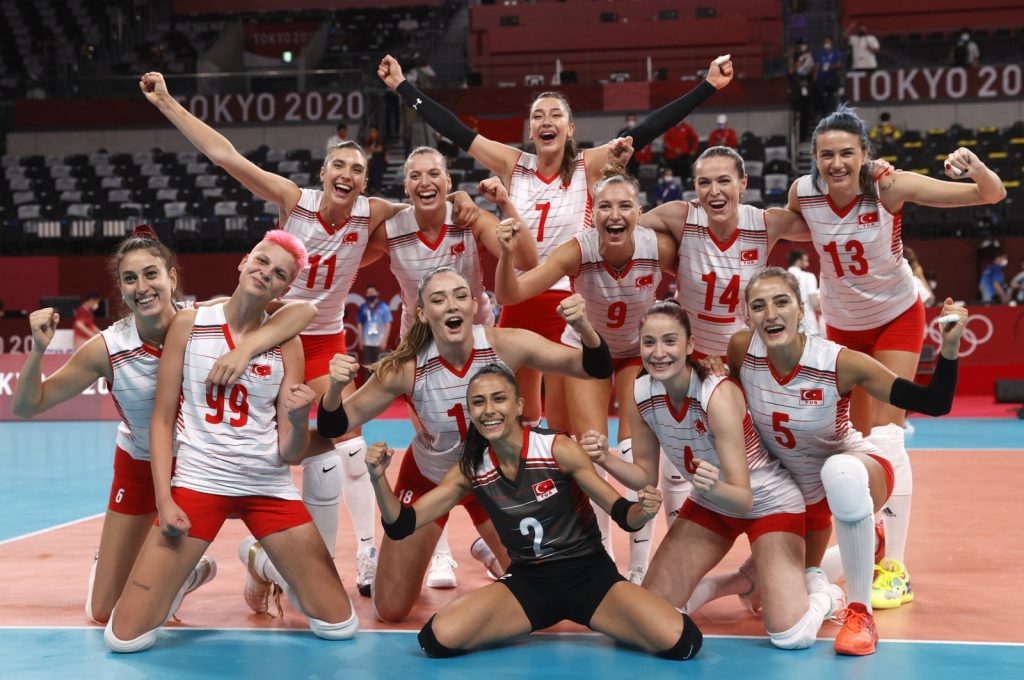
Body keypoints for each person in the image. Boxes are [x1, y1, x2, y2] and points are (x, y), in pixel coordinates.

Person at [141, 70, 478, 600]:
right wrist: (166, 103)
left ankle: (360, 554)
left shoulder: (374, 213)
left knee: (340, 449)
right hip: (265, 332)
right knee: (244, 446)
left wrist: (465, 203)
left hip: (320, 341)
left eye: (358, 169)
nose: (347, 174)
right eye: (339, 165)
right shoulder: (291, 200)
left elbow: (428, 202)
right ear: (324, 173)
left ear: (365, 183)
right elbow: (226, 156)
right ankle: (234, 561)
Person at [379, 53, 733, 432]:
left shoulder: (587, 165)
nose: (546, 122)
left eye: (555, 115)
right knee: (521, 418)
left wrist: (707, 85)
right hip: (518, 301)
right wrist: (403, 86)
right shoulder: (513, 164)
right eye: (537, 116)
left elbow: (646, 130)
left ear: (570, 128)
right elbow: (455, 128)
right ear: (529, 130)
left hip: (566, 304)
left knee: (566, 426)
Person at [13, 225, 315, 628]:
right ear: (120, 289)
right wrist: (38, 349)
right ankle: (192, 570)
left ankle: (258, 560)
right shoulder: (107, 348)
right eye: (130, 278)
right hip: (141, 465)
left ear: (172, 277)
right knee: (102, 611)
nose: (143, 287)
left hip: (208, 463)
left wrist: (247, 348)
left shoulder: (203, 317)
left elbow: (302, 311)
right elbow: (29, 404)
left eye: (151, 274)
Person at [787, 105, 1005, 607]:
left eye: (847, 153)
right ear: (814, 159)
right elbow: (801, 229)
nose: (836, 163)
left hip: (895, 317)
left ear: (866, 154)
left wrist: (976, 168)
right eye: (826, 155)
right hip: (841, 326)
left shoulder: (891, 187)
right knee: (855, 443)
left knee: (886, 434)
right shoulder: (803, 192)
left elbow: (991, 195)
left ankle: (895, 568)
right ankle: (873, 537)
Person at [103, 231, 358, 652]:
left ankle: (263, 562)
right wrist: (165, 500)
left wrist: (295, 416)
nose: (265, 274)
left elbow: (289, 452)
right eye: (261, 261)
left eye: (279, 273)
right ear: (244, 262)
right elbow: (163, 419)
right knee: (123, 638)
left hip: (267, 484)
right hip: (199, 482)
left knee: (339, 626)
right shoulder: (189, 323)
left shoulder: (287, 344)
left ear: (285, 288)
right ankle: (187, 575)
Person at [315, 266, 615, 623]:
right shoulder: (406, 368)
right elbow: (336, 423)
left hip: (497, 481)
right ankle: (484, 551)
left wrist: (584, 328)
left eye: (460, 295)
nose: (451, 305)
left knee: (548, 593)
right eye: (438, 299)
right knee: (390, 610)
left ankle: (489, 551)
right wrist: (333, 389)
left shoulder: (506, 344)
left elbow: (593, 368)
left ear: (475, 304)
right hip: (430, 479)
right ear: (424, 314)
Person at [362, 363, 702, 660]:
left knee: (684, 643)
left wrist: (643, 511)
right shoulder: (471, 470)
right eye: (478, 402)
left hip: (591, 580)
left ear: (518, 404)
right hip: (529, 585)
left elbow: (622, 513)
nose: (488, 410)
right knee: (435, 640)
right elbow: (401, 525)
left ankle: (614, 616)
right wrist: (378, 480)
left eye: (498, 399)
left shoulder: (557, 448)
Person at [727, 267, 966, 655]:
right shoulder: (741, 350)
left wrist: (949, 349)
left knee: (837, 469)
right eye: (759, 306)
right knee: (764, 602)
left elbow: (935, 403)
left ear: (800, 309)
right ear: (748, 315)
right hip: (799, 495)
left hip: (855, 471)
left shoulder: (839, 362)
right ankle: (869, 543)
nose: (770, 313)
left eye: (781, 302)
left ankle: (860, 614)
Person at [580, 301, 842, 651]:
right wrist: (605, 459)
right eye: (649, 343)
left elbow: (743, 497)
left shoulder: (715, 395)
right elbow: (645, 476)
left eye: (670, 341)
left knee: (790, 635)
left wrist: (713, 486)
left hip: (767, 502)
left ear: (689, 346)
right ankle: (742, 581)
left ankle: (827, 595)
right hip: (711, 502)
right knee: (648, 616)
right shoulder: (641, 392)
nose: (659, 353)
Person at [360, 147, 537, 588]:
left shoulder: (467, 219)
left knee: (494, 434)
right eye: (415, 175)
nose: (425, 182)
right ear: (405, 186)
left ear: (447, 179)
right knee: (435, 440)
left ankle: (490, 536)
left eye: (434, 174)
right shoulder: (393, 229)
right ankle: (439, 552)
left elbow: (521, 253)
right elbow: (343, 257)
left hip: (476, 341)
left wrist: (487, 211)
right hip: (417, 345)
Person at [495, 169, 678, 583]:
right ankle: (604, 557)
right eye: (605, 206)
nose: (615, 213)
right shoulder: (577, 250)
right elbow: (512, 295)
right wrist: (506, 255)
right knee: (590, 452)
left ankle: (640, 562)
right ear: (592, 214)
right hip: (587, 351)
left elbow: (705, 281)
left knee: (634, 453)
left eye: (625, 205)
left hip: (635, 353)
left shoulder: (657, 247)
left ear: (639, 212)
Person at [355, 284, 392, 376]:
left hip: (379, 343)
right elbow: (359, 324)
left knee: (380, 368)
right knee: (367, 368)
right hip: (367, 343)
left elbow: (388, 324)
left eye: (372, 292)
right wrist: (360, 340)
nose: (371, 294)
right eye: (369, 293)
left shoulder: (384, 307)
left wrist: (384, 341)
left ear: (377, 293)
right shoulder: (363, 307)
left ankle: (380, 388)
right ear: (366, 294)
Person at [787, 248, 821, 336]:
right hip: (809, 326)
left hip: (790, 327)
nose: (808, 264)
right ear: (799, 260)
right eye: (806, 260)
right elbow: (815, 303)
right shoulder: (808, 276)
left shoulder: (781, 278)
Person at [814, 36, 844, 115]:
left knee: (833, 95)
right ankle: (823, 113)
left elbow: (839, 64)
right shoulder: (820, 53)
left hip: (832, 78)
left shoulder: (836, 53)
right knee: (822, 96)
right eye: (825, 42)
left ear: (832, 42)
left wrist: (831, 66)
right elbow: (817, 66)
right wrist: (815, 77)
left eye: (828, 42)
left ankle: (835, 111)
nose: (826, 44)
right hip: (822, 78)